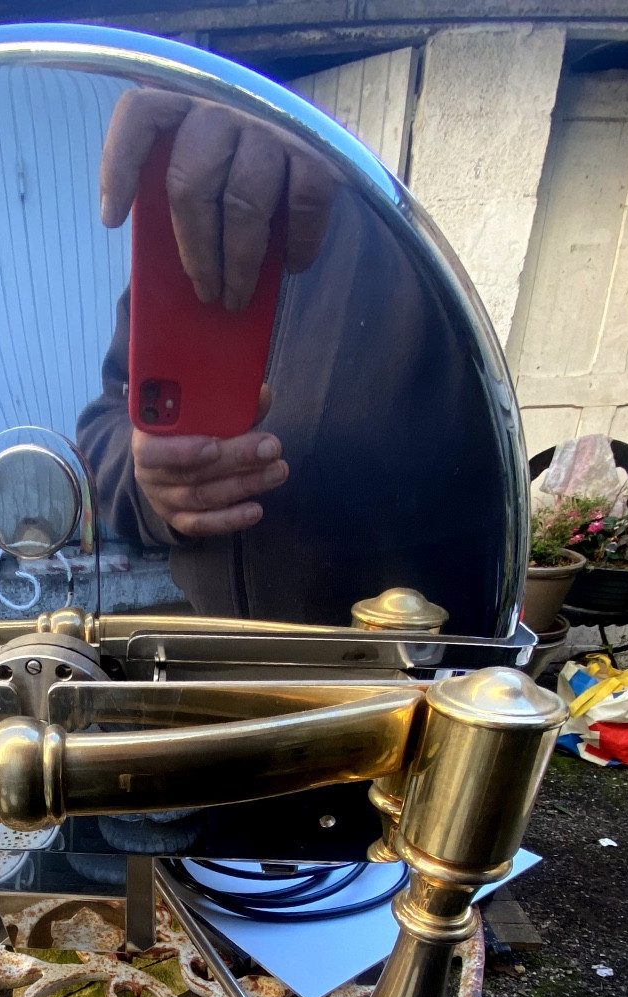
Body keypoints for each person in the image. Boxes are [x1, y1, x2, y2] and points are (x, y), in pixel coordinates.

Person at [77, 88, 511, 633]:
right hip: (216, 663)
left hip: (398, 673)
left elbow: (486, 458)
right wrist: (155, 486)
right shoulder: (191, 246)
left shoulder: (414, 247)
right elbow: (108, 424)